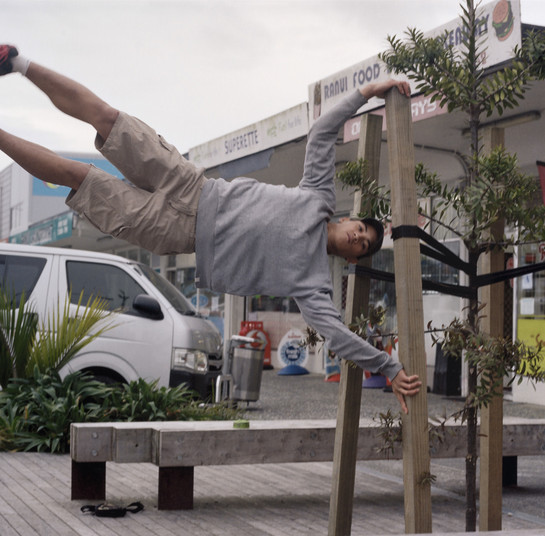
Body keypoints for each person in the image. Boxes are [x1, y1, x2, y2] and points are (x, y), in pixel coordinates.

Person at [0, 45, 421, 413]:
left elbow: (339, 337)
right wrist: (367, 93)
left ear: (351, 258)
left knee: (79, 177)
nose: (359, 238)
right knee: (108, 120)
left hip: (172, 231)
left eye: (363, 246)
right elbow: (323, 134)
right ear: (348, 219)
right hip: (191, 184)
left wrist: (390, 367)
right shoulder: (318, 197)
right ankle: (17, 62)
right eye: (361, 230)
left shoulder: (312, 286)